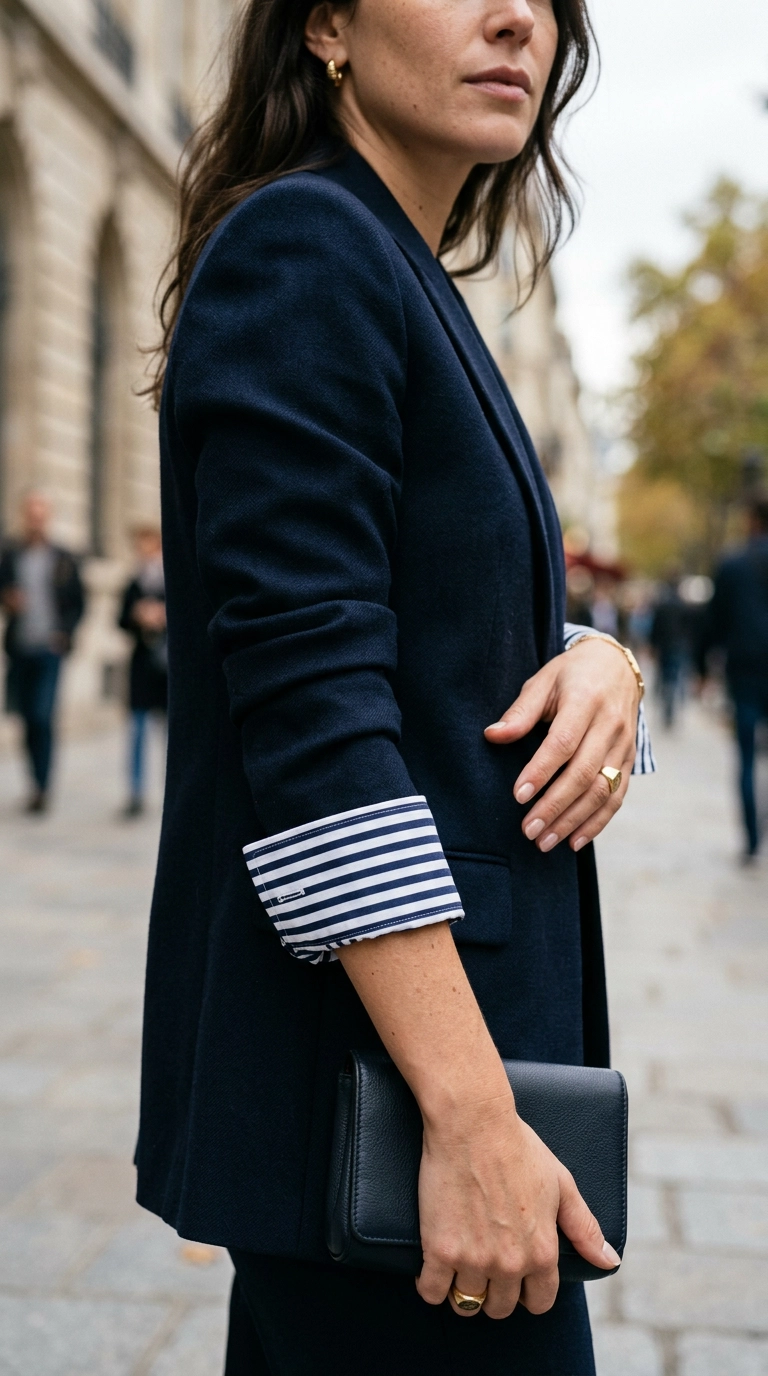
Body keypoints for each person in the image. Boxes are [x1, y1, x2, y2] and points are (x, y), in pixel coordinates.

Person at [135, 3, 654, 1373]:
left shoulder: (398, 269)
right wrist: (473, 1120)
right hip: (395, 1112)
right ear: (327, 29)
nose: (516, 19)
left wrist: (606, 658)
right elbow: (313, 729)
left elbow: (445, 645)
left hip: (437, 1093)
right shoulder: (309, 250)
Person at [0, 492, 84, 812]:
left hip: (50, 649)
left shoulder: (62, 557)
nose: (35, 520)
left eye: (40, 514)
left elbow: (78, 602)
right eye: (30, 514)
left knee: (41, 715)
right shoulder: (12, 555)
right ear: (25, 517)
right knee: (24, 718)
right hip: (20, 648)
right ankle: (34, 782)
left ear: (47, 517)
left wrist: (66, 633)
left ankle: (44, 786)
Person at [699, 498, 768, 859]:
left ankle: (753, 838)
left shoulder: (733, 565)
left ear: (751, 519)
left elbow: (713, 622)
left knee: (745, 756)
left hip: (745, 670)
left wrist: (700, 668)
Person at [118, 526, 168, 818]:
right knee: (137, 730)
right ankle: (136, 791)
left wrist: (161, 616)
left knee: (171, 733)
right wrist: (137, 617)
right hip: (141, 668)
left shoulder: (171, 581)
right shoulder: (133, 583)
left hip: (168, 669)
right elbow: (120, 621)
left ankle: (171, 790)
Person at [650, 573, 690, 729]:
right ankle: (672, 707)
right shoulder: (683, 605)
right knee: (675, 677)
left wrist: (653, 645)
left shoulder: (662, 605)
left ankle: (668, 707)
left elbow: (655, 627)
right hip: (678, 645)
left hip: (664, 645)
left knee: (666, 676)